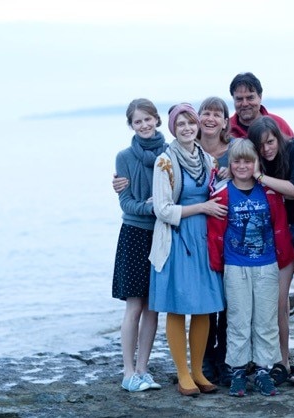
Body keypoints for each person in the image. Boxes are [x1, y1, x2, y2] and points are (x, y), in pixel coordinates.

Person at [206, 138, 294, 397]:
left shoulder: (269, 193)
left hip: (266, 264)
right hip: (236, 266)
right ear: (230, 164)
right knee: (238, 319)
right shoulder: (222, 193)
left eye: (248, 160)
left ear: (257, 163)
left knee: (266, 320)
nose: (242, 166)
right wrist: (217, 265)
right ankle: (237, 370)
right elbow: (214, 233)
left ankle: (263, 371)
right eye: (237, 161)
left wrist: (284, 257)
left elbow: (280, 226)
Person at [149, 103, 228, 396]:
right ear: (172, 128)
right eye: (180, 124)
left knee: (204, 307)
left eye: (190, 123)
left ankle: (198, 371)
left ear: (197, 126)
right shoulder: (164, 162)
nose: (186, 128)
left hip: (204, 239)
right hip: (177, 238)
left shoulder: (207, 159)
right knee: (178, 306)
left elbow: (217, 190)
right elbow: (162, 209)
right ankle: (183, 373)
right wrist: (202, 208)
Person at [247, 116, 294, 387]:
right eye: (261, 145)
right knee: (278, 300)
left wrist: (262, 178)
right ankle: (283, 362)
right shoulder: (258, 161)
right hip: (278, 233)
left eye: (270, 142)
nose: (266, 149)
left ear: (278, 136)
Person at [112, 98, 168, 393]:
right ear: (131, 126)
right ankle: (128, 371)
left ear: (157, 120)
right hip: (134, 233)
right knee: (134, 306)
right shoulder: (124, 157)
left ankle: (144, 369)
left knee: (153, 308)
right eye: (138, 121)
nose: (144, 125)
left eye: (148, 119)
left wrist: (161, 208)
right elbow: (126, 202)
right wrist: (154, 207)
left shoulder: (170, 152)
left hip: (161, 235)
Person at [196, 96, 233, 386]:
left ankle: (225, 360)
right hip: (197, 234)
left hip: (231, 233)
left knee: (230, 301)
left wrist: (231, 173)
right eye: (205, 113)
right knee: (207, 300)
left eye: (216, 114)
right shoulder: (188, 150)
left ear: (225, 121)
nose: (210, 118)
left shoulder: (234, 151)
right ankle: (205, 359)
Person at [228, 72, 294, 139]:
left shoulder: (279, 124)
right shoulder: (225, 130)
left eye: (250, 98)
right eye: (239, 99)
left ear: (260, 97)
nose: (245, 104)